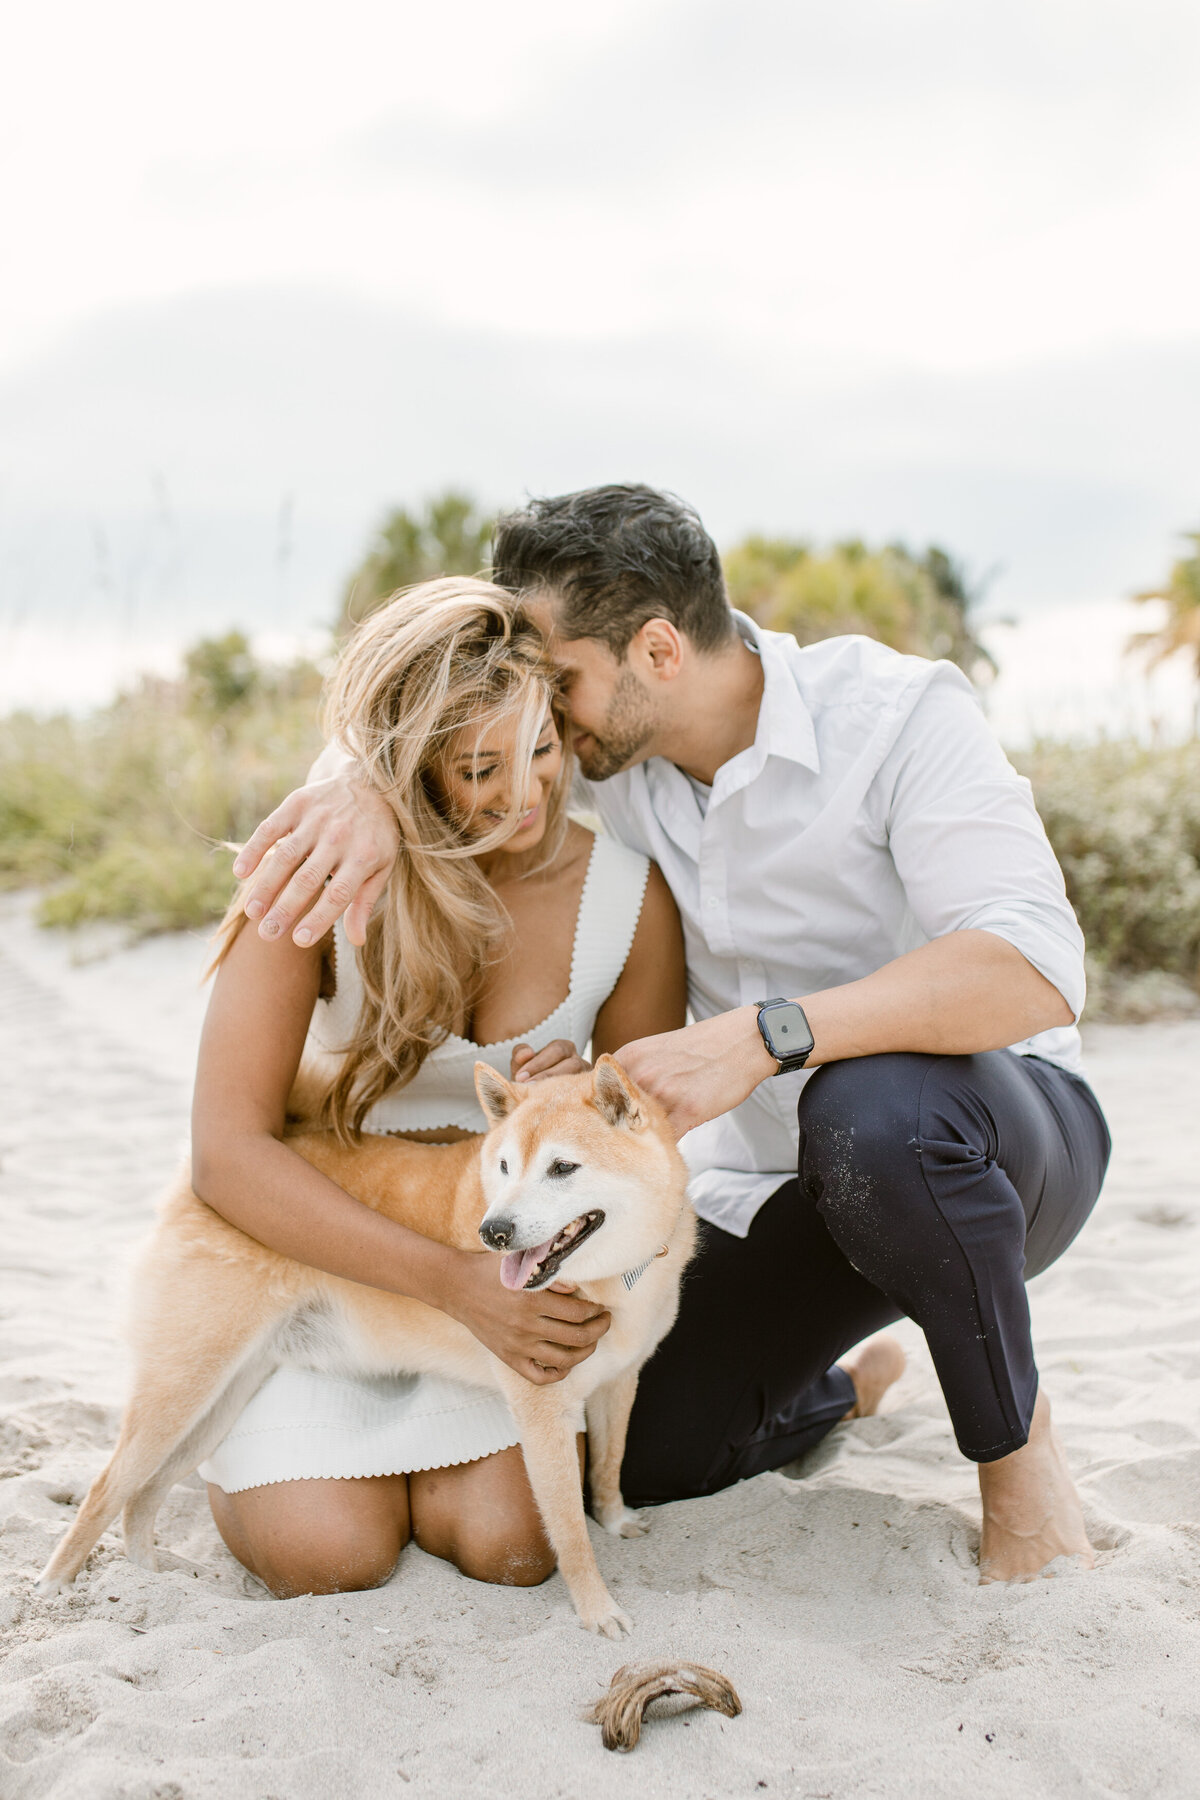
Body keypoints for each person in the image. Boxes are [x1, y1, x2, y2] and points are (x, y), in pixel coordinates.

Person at [233, 486, 1111, 1585]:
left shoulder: (899, 719)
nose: (544, 717)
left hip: (986, 1146)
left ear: (656, 649)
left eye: (559, 683)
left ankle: (1022, 1467)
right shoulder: (617, 765)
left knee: (870, 1110)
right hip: (775, 1189)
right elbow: (456, 716)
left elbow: (1034, 967)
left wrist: (766, 1036)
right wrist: (363, 779)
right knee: (636, 1448)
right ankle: (841, 1388)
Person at [191, 575, 692, 1598]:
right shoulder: (316, 874)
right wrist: (452, 1287)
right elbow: (224, 1154)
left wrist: (595, 1090)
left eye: (542, 751)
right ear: (406, 769)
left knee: (511, 1546)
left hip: (512, 1276)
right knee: (326, 1555)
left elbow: (651, 1148)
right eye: (477, 770)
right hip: (323, 1269)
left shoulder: (626, 898)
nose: (524, 797)